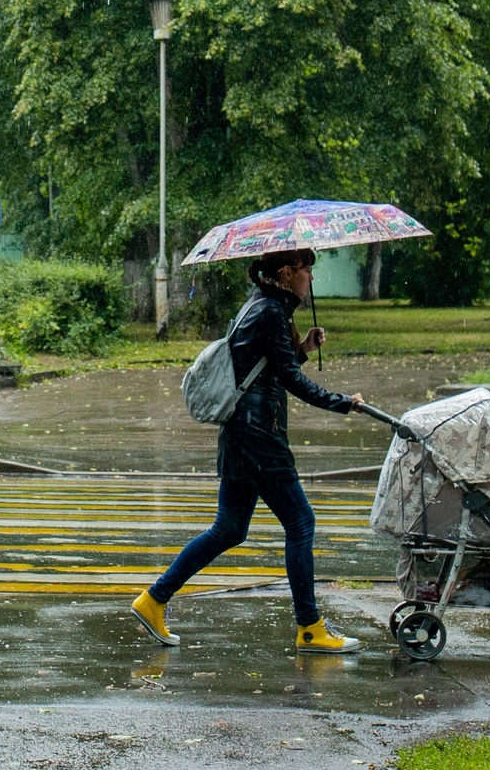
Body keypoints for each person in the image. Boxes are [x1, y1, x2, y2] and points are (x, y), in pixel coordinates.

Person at [131, 248, 366, 651]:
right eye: (308, 269)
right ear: (288, 272)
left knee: (229, 529)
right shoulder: (271, 312)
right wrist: (342, 401)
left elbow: (266, 363)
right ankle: (310, 627)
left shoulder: (261, 306)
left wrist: (303, 346)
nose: (312, 276)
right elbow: (289, 379)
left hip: (242, 434)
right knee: (301, 523)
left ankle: (153, 599)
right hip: (260, 438)